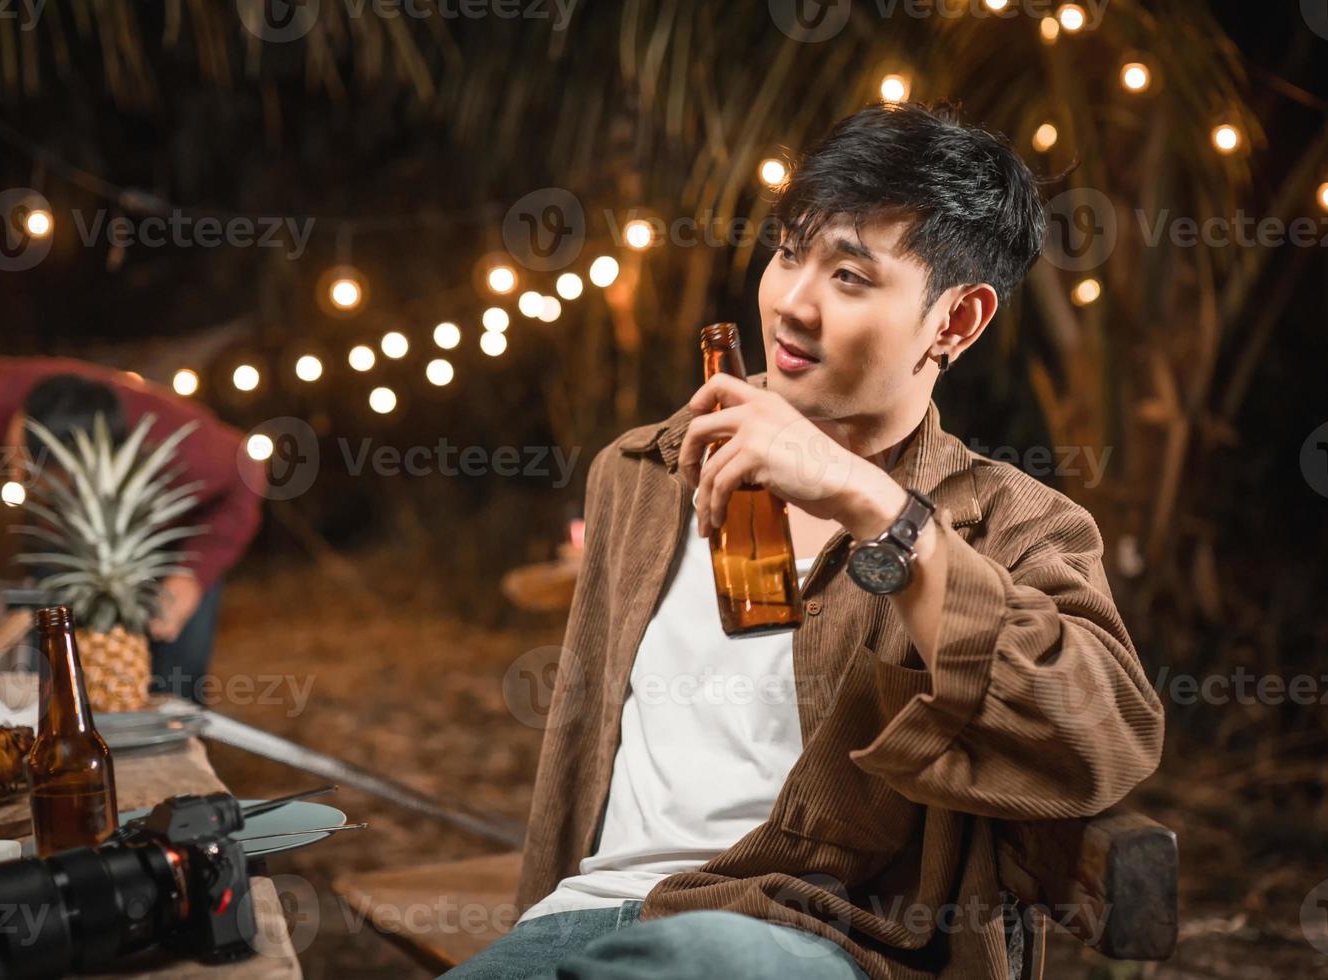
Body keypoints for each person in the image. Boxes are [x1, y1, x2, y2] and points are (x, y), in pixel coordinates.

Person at [447, 102, 1164, 979]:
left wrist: (878, 508)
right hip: (584, 919)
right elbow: (577, 764)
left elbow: (1108, 735)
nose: (791, 302)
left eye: (851, 277)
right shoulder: (640, 475)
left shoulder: (1013, 522)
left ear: (958, 320)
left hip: (817, 935)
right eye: (791, 250)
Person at [0, 357, 264, 702]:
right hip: (71, 541)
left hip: (175, 543)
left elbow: (248, 470)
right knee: (56, 653)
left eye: (32, 473)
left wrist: (193, 575)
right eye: (17, 457)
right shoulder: (2, 392)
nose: (15, 475)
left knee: (174, 678)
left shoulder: (190, 451)